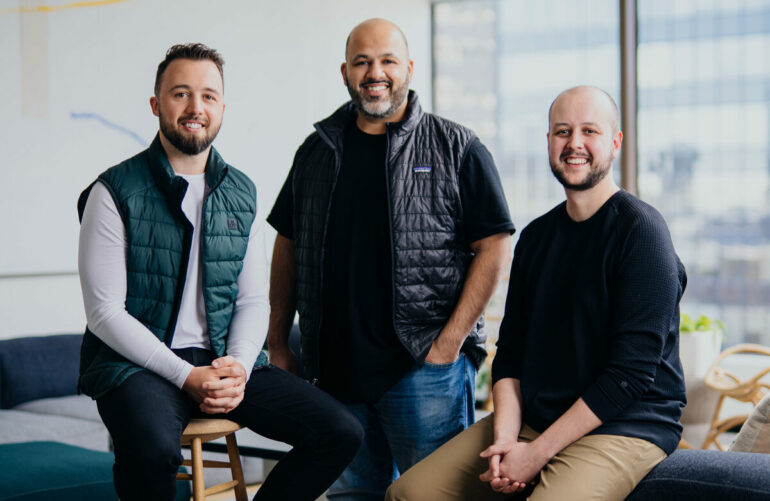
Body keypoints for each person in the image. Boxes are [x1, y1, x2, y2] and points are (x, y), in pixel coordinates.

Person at [77, 43, 362, 501]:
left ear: (222, 108)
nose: (195, 108)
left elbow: (252, 300)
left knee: (340, 432)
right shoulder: (113, 191)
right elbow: (104, 313)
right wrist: (187, 377)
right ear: (156, 105)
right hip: (137, 366)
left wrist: (240, 370)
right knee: (151, 453)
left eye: (208, 96)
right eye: (181, 94)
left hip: (223, 360)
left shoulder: (241, 191)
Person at [386, 85, 688, 501]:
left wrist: (536, 455)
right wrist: (507, 441)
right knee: (409, 493)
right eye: (562, 131)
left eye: (590, 131)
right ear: (548, 142)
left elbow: (628, 377)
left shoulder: (641, 232)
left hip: (625, 424)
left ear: (615, 143)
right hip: (537, 419)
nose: (574, 143)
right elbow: (509, 354)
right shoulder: (537, 237)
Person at [266, 18, 514, 500]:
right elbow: (288, 244)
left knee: (436, 495)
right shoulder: (315, 152)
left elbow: (495, 245)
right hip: (334, 375)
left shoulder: (456, 146)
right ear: (345, 71)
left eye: (387, 61)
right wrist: (278, 340)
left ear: (409, 69)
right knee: (351, 497)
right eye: (362, 62)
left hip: (423, 372)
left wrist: (449, 344)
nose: (374, 72)